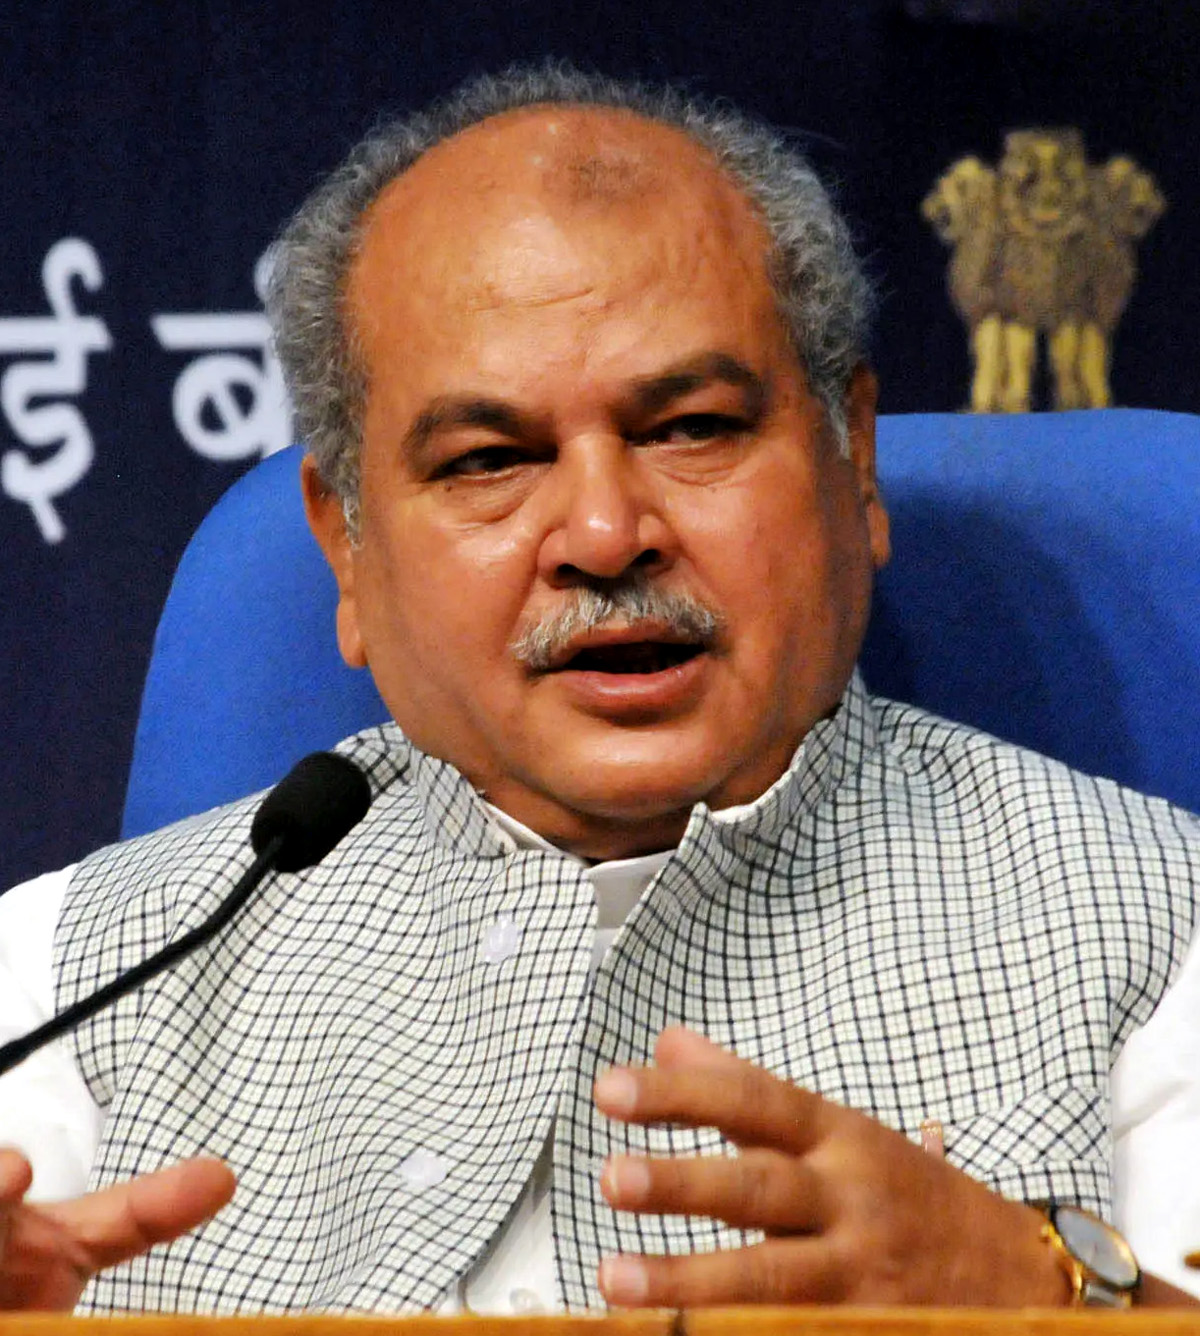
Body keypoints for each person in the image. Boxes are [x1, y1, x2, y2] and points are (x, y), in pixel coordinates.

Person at [2, 63, 1199, 1314]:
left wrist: (1052, 1295)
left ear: (854, 463)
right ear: (345, 549)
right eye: (489, 459)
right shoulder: (68, 977)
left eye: (690, 429)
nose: (605, 532)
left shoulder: (1163, 933)